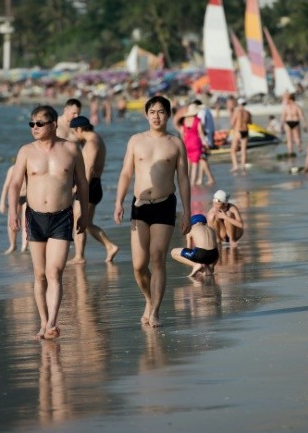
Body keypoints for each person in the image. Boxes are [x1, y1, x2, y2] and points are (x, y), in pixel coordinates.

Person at [7, 105, 89, 340]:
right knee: (39, 274)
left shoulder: (71, 149)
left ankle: (53, 322)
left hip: (62, 216)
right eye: (32, 123)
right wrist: (13, 212)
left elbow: (82, 183)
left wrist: (83, 212)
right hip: (34, 216)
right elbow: (14, 184)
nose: (35, 128)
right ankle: (43, 322)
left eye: (40, 123)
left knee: (55, 271)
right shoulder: (26, 151)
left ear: (53, 124)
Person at [114, 96, 191, 328]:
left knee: (158, 257)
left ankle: (155, 311)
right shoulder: (136, 141)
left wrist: (187, 211)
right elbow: (126, 173)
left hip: (165, 204)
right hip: (139, 206)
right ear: (146, 115)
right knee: (138, 265)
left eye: (161, 112)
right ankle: (149, 300)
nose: (156, 116)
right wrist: (119, 202)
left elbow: (184, 178)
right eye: (152, 112)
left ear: (168, 115)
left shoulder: (176, 143)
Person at [67, 115, 119, 264]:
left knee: (80, 220)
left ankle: (81, 256)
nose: (73, 135)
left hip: (89, 186)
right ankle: (108, 247)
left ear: (79, 129)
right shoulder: (95, 139)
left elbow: (88, 169)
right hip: (93, 185)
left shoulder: (91, 143)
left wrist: (79, 188)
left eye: (73, 132)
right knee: (86, 222)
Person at [0, 164, 27, 254]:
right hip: (16, 197)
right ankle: (13, 245)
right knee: (12, 222)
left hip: (28, 196)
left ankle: (24, 246)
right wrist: (2, 202)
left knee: (25, 223)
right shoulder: (13, 168)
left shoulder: (31, 166)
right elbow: (6, 186)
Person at [178, 103, 208, 186]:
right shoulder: (197, 120)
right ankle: (192, 183)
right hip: (195, 143)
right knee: (195, 164)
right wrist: (205, 143)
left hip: (187, 143)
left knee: (188, 164)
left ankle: (185, 182)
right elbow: (201, 133)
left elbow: (182, 134)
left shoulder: (184, 121)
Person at [193, 99, 216, 186]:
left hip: (204, 139)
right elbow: (212, 126)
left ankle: (210, 178)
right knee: (203, 158)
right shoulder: (208, 111)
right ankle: (199, 179)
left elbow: (201, 125)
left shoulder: (201, 113)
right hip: (209, 137)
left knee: (202, 159)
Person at [280, 92, 308, 157]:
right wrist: (305, 124)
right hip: (296, 122)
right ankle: (299, 148)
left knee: (289, 139)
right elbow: (301, 116)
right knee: (297, 138)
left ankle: (290, 152)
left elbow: (283, 117)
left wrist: (281, 126)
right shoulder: (297, 106)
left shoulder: (286, 107)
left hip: (288, 122)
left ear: (290, 99)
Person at [230, 97, 253, 173]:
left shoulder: (237, 111)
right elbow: (250, 122)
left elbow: (232, 123)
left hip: (238, 131)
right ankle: (243, 166)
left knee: (233, 150)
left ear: (238, 104)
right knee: (243, 150)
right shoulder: (248, 112)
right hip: (245, 131)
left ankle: (235, 166)